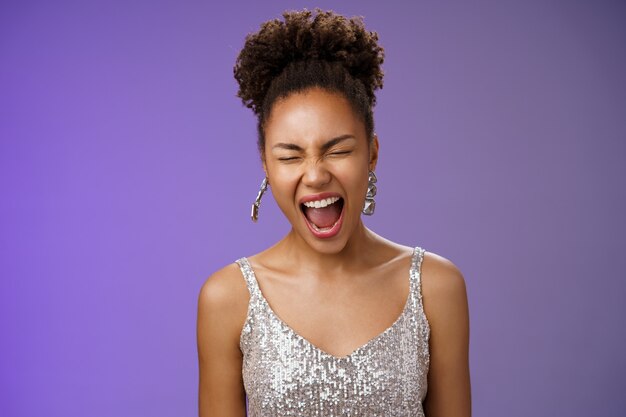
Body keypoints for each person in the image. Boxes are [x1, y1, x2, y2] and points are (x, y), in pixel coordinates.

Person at [197, 9, 471, 417]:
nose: (315, 175)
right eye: (290, 156)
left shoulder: (435, 287)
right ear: (265, 165)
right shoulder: (227, 298)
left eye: (338, 150)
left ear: (372, 153)